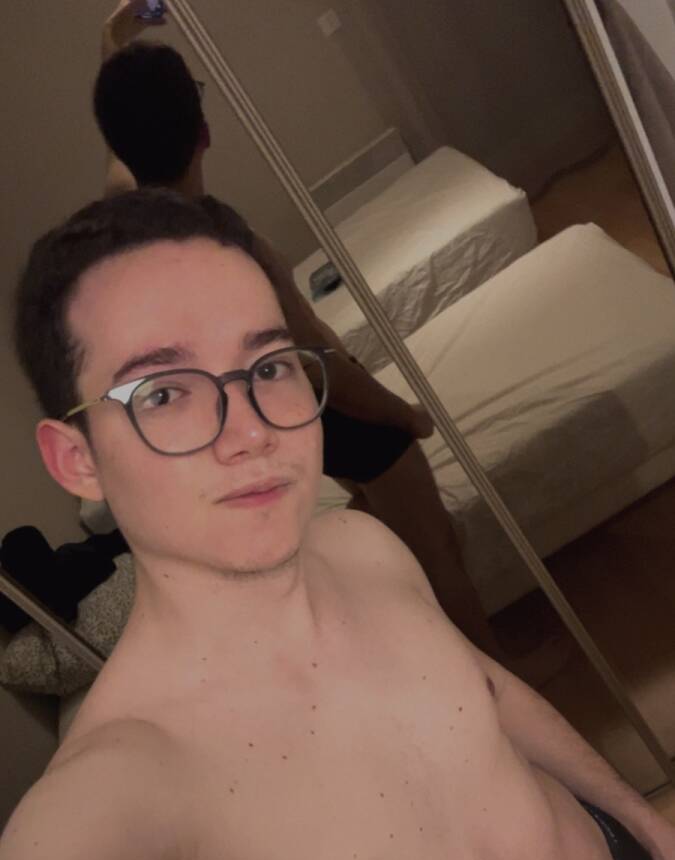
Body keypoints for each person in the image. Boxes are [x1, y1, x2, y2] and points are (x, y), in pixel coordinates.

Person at [2, 189, 673, 860]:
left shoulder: (359, 543)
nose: (249, 430)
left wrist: (642, 820)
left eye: (268, 366)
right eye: (165, 391)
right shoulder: (121, 791)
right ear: (76, 458)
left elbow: (487, 693)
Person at [90, 0, 569, 685]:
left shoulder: (128, 216)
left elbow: (121, 143)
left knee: (385, 522)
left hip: (262, 414)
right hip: (321, 406)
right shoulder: (233, 249)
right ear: (204, 133)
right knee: (438, 550)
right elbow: (318, 371)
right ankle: (499, 684)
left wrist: (112, 37)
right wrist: (403, 415)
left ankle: (381, 614)